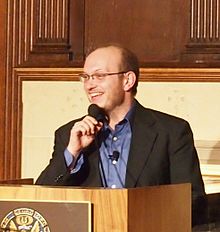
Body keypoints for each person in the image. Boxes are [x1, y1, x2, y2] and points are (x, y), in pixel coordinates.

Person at [36, 44, 207, 227]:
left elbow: (192, 200)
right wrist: (72, 153)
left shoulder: (171, 131)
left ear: (128, 80)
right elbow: (40, 198)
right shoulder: (69, 134)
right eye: (85, 77)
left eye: (99, 76)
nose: (90, 85)